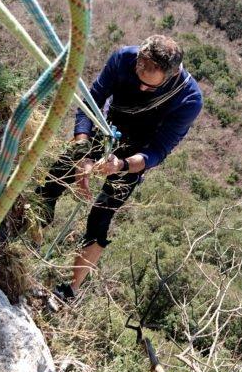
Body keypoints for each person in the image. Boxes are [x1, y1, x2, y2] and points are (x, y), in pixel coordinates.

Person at [37, 34, 203, 304]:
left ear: (171, 76)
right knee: (52, 183)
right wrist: (82, 148)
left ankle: (70, 289)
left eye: (150, 86)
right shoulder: (124, 58)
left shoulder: (189, 99)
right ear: (139, 58)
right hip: (105, 129)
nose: (141, 87)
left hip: (136, 153)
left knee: (100, 217)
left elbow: (159, 149)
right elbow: (94, 97)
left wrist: (122, 165)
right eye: (139, 76)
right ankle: (27, 237)